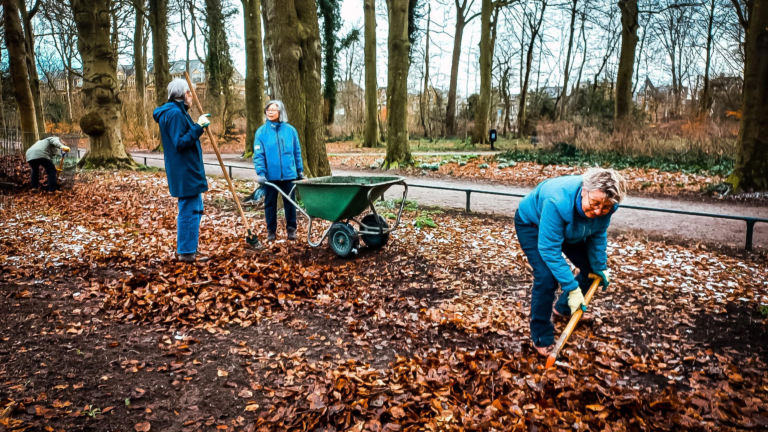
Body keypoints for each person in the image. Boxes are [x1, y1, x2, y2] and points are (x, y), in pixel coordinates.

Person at [514, 168, 627, 356]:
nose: (599, 210)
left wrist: (600, 266)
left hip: (570, 228)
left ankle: (563, 309)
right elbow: (549, 250)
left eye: (605, 207)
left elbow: (597, 234)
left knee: (592, 269)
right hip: (533, 224)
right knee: (546, 277)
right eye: (595, 203)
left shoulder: (609, 203)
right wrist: (572, 288)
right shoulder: (557, 200)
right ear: (584, 191)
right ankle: (541, 336)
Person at [153, 78, 212, 263]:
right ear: (183, 94)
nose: (192, 97)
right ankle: (186, 252)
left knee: (195, 208)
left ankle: (189, 248)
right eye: (190, 93)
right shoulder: (175, 114)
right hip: (185, 171)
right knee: (190, 210)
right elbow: (180, 142)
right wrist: (198, 127)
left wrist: (196, 127)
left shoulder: (176, 112)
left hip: (186, 170)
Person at [253, 100, 304, 242]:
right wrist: (261, 173)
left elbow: (296, 152)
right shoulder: (261, 132)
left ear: (280, 112)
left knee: (290, 203)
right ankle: (271, 231)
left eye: (273, 110)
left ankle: (291, 230)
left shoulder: (290, 131)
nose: (270, 112)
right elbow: (258, 155)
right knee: (270, 204)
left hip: (288, 174)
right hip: (270, 177)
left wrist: (300, 170)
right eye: (268, 110)